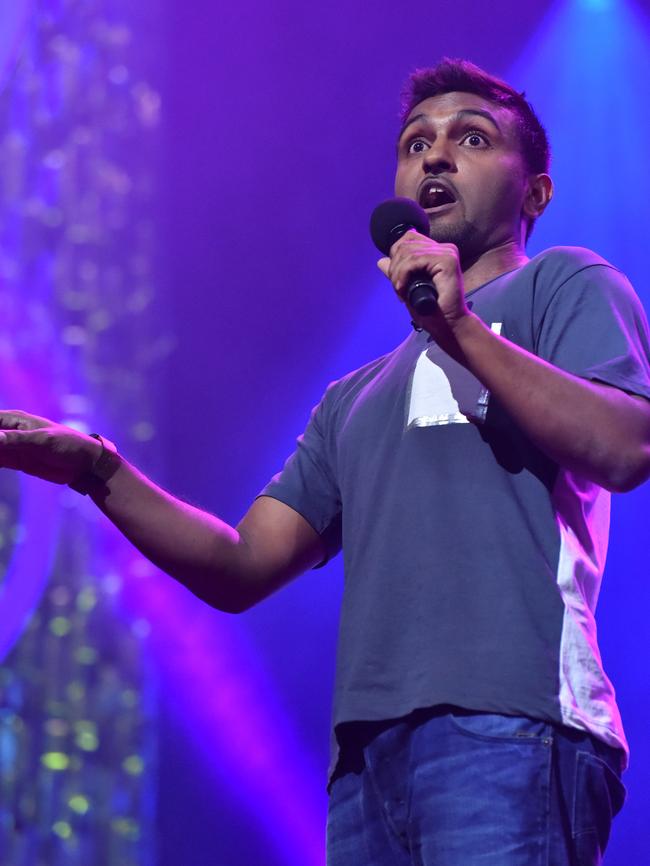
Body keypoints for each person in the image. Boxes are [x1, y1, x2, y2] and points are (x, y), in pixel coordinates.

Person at [1, 58, 650, 865]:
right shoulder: (354, 398)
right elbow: (241, 566)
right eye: (416, 145)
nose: (436, 158)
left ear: (535, 193)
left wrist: (461, 333)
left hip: (513, 727)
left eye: (471, 139)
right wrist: (97, 471)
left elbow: (626, 447)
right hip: (365, 771)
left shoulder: (566, 284)